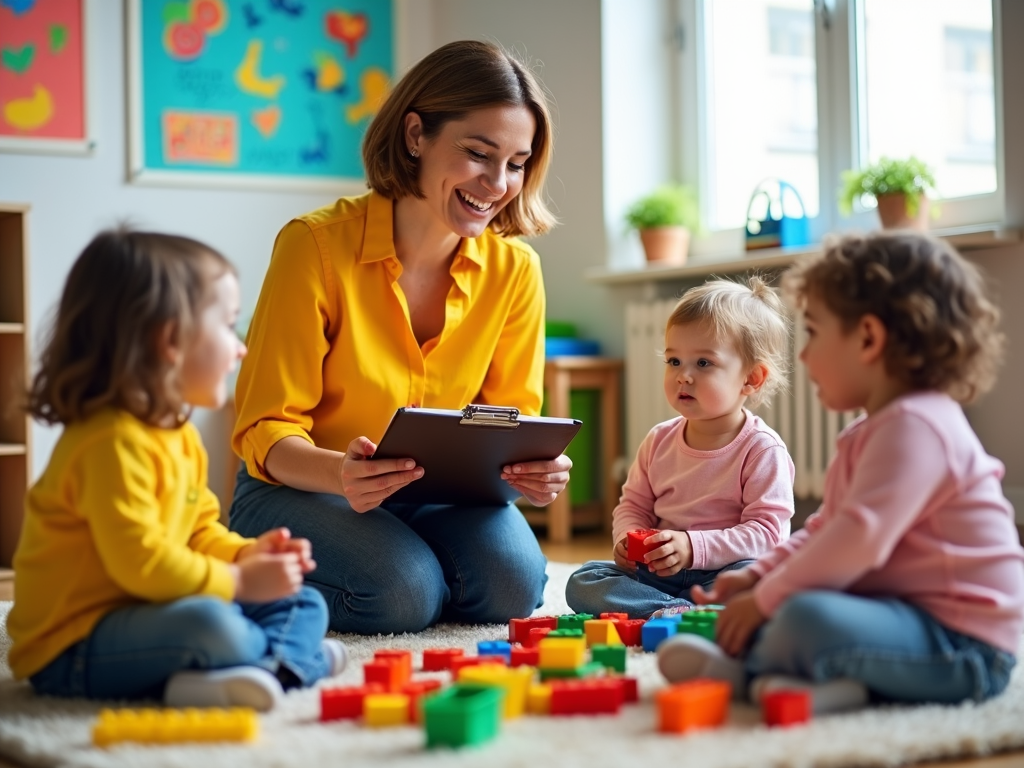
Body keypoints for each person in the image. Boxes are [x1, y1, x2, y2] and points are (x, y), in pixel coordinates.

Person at [229, 40, 570, 634]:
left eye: (517, 163)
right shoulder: (312, 247)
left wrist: (529, 471)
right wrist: (342, 474)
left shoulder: (516, 271)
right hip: (302, 487)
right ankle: (257, 571)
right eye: (478, 153)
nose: (497, 183)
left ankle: (403, 556)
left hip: (437, 494)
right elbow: (266, 429)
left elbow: (508, 420)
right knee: (402, 595)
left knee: (513, 584)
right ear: (416, 136)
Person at [658, 232, 1024, 712]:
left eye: (813, 331)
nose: (803, 355)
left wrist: (766, 598)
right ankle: (828, 688)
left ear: (868, 338)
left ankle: (744, 676)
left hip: (963, 645)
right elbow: (825, 529)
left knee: (803, 615)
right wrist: (760, 576)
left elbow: (856, 540)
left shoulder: (917, 427)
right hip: (903, 615)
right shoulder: (871, 432)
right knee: (797, 605)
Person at [6, 229, 346, 712]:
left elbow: (199, 530)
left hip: (155, 606)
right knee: (214, 626)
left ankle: (270, 667)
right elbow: (142, 564)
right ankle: (291, 662)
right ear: (169, 340)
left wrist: (246, 555)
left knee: (304, 602)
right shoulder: (109, 442)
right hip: (74, 643)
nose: (240, 347)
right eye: (228, 327)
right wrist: (239, 583)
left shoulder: (179, 434)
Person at [565, 277, 795, 619]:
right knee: (583, 580)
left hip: (724, 573)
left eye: (703, 363)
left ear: (751, 378)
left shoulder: (762, 450)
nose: (683, 376)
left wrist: (693, 547)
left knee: (766, 579)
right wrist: (627, 539)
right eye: (674, 361)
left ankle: (701, 610)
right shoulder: (658, 441)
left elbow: (768, 535)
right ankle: (677, 611)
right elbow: (634, 505)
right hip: (658, 576)